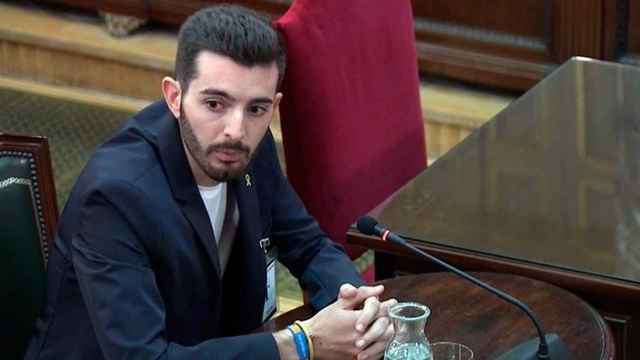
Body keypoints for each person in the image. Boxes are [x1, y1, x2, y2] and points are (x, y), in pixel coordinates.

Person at [25, 4, 395, 360]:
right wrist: (300, 344)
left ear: (274, 106)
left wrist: (361, 305)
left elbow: (309, 246)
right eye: (215, 104)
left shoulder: (253, 146)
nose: (236, 130)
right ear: (174, 97)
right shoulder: (116, 196)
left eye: (256, 108)